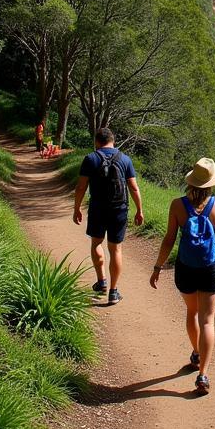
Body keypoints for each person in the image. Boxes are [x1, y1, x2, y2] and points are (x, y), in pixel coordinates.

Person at [149, 158, 215, 395]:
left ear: (191, 182)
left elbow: (169, 239)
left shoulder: (177, 205)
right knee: (208, 320)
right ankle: (203, 375)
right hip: (211, 267)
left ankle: (196, 354)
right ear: (211, 183)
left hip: (186, 267)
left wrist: (158, 267)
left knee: (192, 312)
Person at [73, 128, 144, 304]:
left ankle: (102, 281)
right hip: (119, 209)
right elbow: (134, 188)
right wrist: (139, 210)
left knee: (96, 243)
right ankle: (113, 292)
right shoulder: (125, 159)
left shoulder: (90, 159)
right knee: (116, 249)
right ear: (113, 141)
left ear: (97, 142)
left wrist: (77, 208)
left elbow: (81, 187)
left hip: (98, 208)